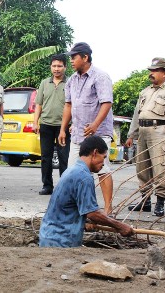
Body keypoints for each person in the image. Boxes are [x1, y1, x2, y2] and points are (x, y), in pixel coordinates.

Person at [39, 136, 134, 248]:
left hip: (48, 235)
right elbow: (93, 213)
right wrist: (120, 226)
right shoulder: (84, 177)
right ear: (94, 153)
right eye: (103, 157)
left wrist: (84, 222)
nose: (103, 163)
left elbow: (70, 207)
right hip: (61, 241)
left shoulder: (72, 170)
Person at [58, 42, 115, 214]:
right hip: (77, 133)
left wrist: (96, 124)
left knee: (102, 169)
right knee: (74, 171)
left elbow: (106, 102)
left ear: (85, 57)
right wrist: (63, 128)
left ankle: (108, 209)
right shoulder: (71, 80)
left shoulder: (100, 76)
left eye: (74, 57)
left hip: (99, 133)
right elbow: (68, 105)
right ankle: (78, 208)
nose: (72, 61)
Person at [125, 57, 165, 217]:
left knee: (160, 169)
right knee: (142, 168)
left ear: (164, 73)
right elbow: (137, 115)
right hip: (143, 132)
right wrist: (131, 135)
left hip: (160, 133)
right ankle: (145, 201)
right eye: (151, 70)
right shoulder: (145, 91)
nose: (152, 73)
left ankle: (160, 203)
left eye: (155, 70)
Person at [33, 54, 70, 195]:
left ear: (65, 67)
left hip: (64, 126)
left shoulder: (70, 82)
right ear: (50, 67)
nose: (56, 69)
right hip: (46, 124)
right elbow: (38, 104)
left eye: (59, 66)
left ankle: (64, 187)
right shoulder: (44, 83)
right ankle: (47, 185)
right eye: (54, 66)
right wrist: (35, 122)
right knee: (45, 157)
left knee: (64, 157)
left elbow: (74, 105)